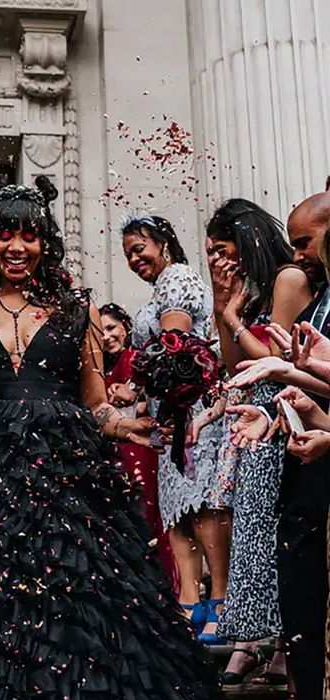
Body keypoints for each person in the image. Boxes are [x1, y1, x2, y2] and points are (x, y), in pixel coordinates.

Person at [0, 177, 215, 699]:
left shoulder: (78, 310)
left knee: (73, 607)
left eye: (29, 235)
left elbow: (94, 405)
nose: (16, 247)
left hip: (65, 485)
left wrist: (128, 426)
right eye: (4, 235)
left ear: (45, 243)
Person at [224, 192, 330, 697]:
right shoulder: (320, 296)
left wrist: (283, 366)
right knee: (301, 585)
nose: (299, 255)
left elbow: (294, 364)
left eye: (305, 242)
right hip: (306, 445)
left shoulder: (294, 284)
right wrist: (274, 408)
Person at [206, 199, 310, 690]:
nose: (218, 260)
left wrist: (234, 317)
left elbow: (274, 355)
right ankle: (251, 637)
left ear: (245, 241)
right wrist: (221, 302)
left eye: (222, 250)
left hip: (284, 408)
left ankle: (281, 642)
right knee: (249, 528)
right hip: (253, 415)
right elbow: (233, 365)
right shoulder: (245, 290)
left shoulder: (288, 279)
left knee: (271, 529)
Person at [122, 213, 232, 645]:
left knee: (204, 508)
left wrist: (143, 380)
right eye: (128, 253)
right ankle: (189, 599)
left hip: (197, 411)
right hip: (169, 418)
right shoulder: (154, 294)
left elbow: (175, 347)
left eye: (140, 248)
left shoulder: (179, 279)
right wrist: (130, 391)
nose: (134, 259)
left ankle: (222, 600)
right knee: (176, 514)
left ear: (163, 243)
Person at [100, 302, 177, 587]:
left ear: (126, 328)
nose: (107, 336)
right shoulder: (102, 368)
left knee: (145, 514)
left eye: (111, 328)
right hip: (117, 448)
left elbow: (148, 401)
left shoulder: (134, 358)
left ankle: (160, 585)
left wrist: (137, 402)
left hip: (140, 447)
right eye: (101, 331)